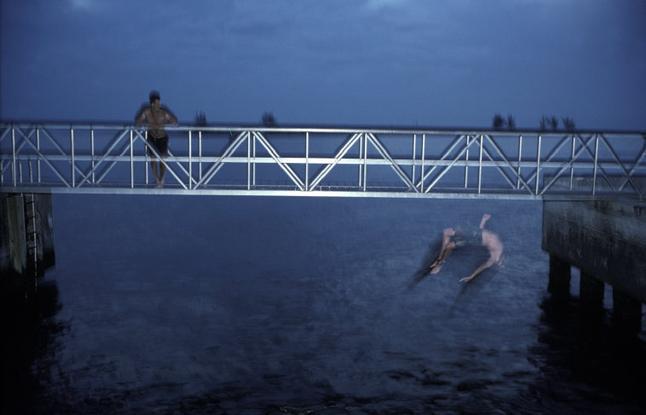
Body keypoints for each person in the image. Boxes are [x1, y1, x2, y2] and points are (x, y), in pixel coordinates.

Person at [428, 213, 503, 283]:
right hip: (474, 232)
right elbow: (482, 232)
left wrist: (471, 276)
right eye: (500, 262)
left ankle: (440, 262)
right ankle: (439, 258)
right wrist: (483, 220)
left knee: (450, 246)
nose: (498, 262)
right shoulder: (498, 245)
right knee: (446, 232)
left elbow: (485, 265)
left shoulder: (495, 255)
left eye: (499, 263)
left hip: (473, 240)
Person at [135, 90, 178, 187]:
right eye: (156, 104)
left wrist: (165, 122)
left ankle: (162, 178)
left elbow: (175, 121)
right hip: (151, 137)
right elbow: (137, 122)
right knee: (153, 159)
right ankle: (157, 179)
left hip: (162, 138)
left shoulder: (164, 112)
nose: (158, 106)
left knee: (163, 159)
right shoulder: (146, 112)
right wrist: (144, 122)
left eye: (159, 103)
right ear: (152, 104)